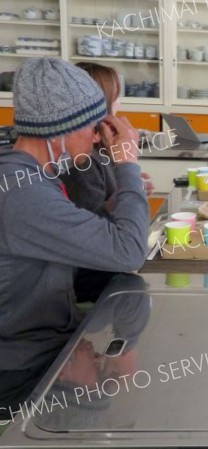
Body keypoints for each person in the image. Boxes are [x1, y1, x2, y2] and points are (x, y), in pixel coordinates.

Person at [0, 58, 149, 417]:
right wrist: (127, 163)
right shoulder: (23, 191)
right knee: (106, 411)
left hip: (44, 341)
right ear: (58, 131)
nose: (98, 137)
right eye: (92, 127)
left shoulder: (30, 174)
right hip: (20, 369)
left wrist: (114, 206)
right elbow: (129, 251)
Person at [60, 62, 153, 217]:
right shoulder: (84, 161)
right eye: (116, 97)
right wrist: (129, 193)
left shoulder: (102, 150)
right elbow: (90, 222)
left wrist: (130, 185)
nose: (119, 103)